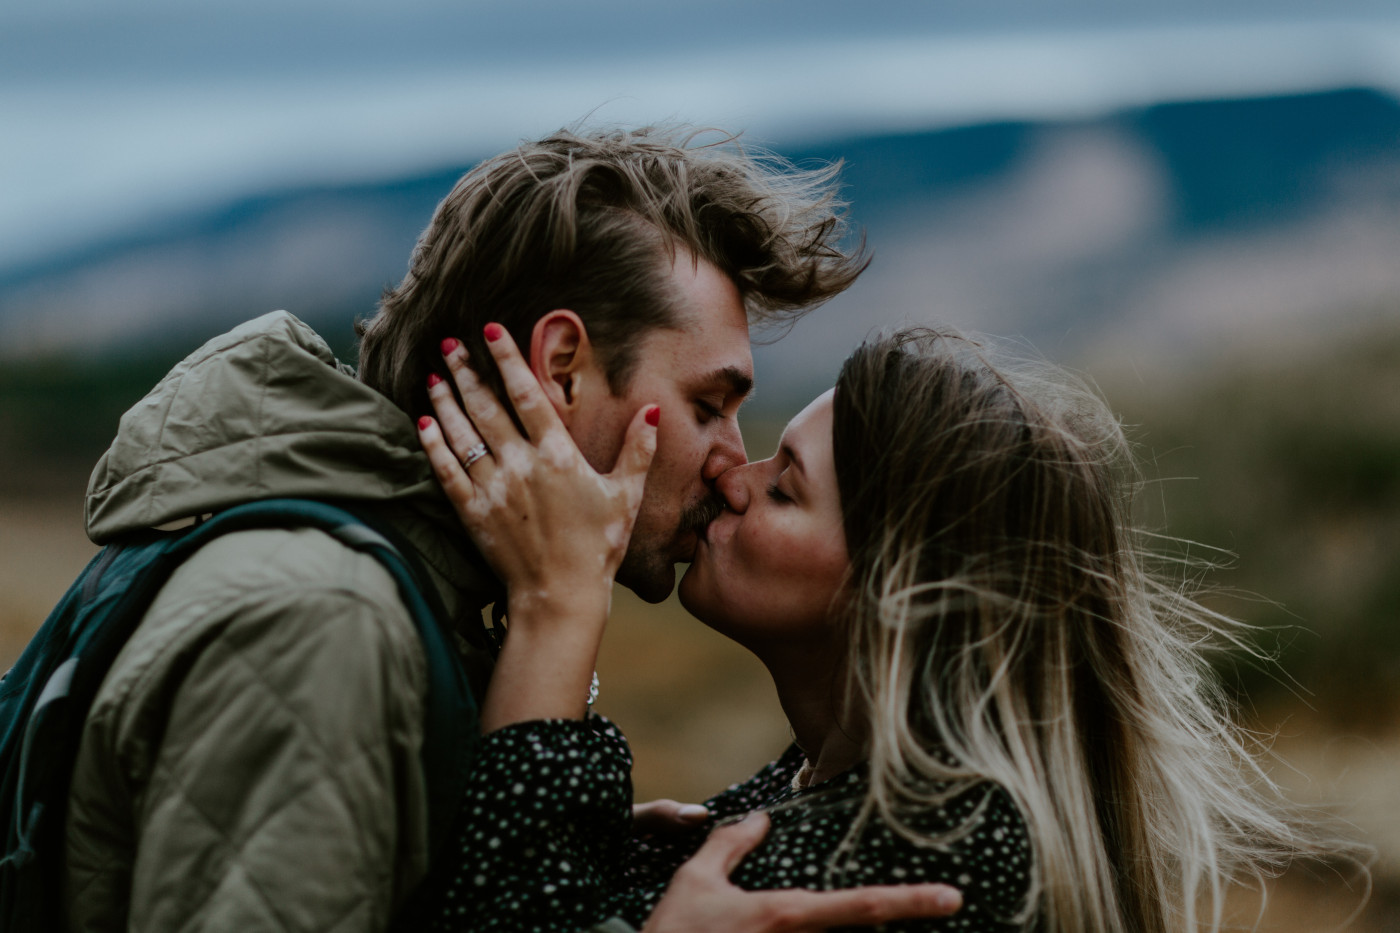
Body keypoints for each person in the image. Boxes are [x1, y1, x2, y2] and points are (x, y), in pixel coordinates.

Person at [61, 126, 964, 932]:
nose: (732, 460)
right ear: (562, 367)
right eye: (707, 404)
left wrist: (548, 856)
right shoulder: (326, 624)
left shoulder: (404, 600)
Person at [416, 324, 1334, 932]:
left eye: (785, 488)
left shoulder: (926, 860)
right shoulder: (834, 785)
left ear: (893, 591)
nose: (734, 474)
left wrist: (558, 602)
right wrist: (605, 861)